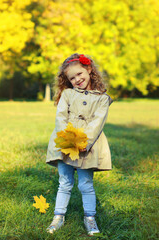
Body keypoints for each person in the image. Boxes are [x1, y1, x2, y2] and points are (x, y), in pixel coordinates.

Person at [45, 53, 113, 236]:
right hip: (66, 143)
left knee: (85, 183)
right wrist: (67, 138)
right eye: (72, 77)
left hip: (86, 147)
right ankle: (58, 216)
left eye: (79, 74)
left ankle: (89, 218)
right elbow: (61, 117)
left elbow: (97, 123)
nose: (77, 79)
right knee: (65, 182)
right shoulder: (67, 95)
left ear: (89, 70)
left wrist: (84, 141)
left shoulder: (102, 99)